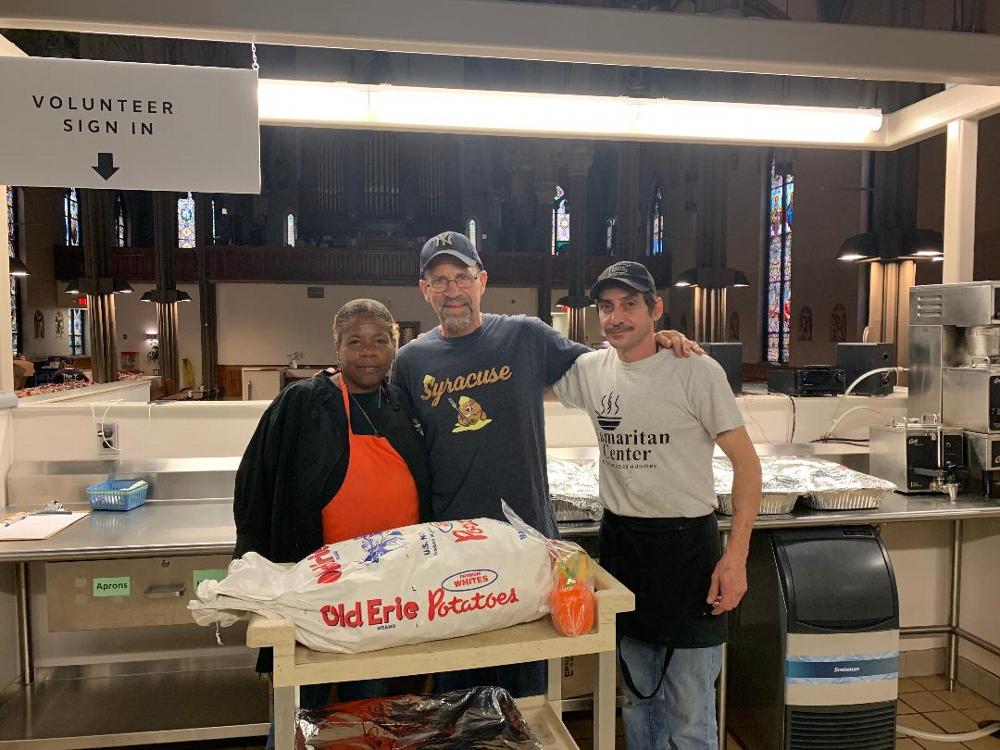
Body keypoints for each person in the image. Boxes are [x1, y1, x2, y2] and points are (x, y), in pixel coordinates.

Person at [391, 231, 700, 698]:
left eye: (462, 277)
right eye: (440, 280)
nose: (452, 290)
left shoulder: (523, 336)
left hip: (529, 546)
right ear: (424, 289)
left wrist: (653, 342)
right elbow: (398, 448)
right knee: (458, 691)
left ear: (482, 281)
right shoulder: (411, 361)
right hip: (450, 549)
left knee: (527, 692)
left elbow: (606, 367)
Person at [553, 261, 761, 750]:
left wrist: (735, 559)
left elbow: (748, 467)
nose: (616, 317)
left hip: (689, 551)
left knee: (689, 709)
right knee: (636, 696)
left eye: (629, 304)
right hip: (624, 546)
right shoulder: (589, 370)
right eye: (607, 307)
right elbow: (518, 368)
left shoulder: (696, 371)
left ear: (656, 308)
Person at [233, 299, 431, 748]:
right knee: (303, 702)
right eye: (355, 341)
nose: (368, 352)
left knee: (373, 704)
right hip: (320, 591)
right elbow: (255, 481)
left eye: (381, 341)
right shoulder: (302, 403)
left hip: (389, 592)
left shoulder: (403, 403)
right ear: (336, 347)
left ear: (394, 347)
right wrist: (251, 560)